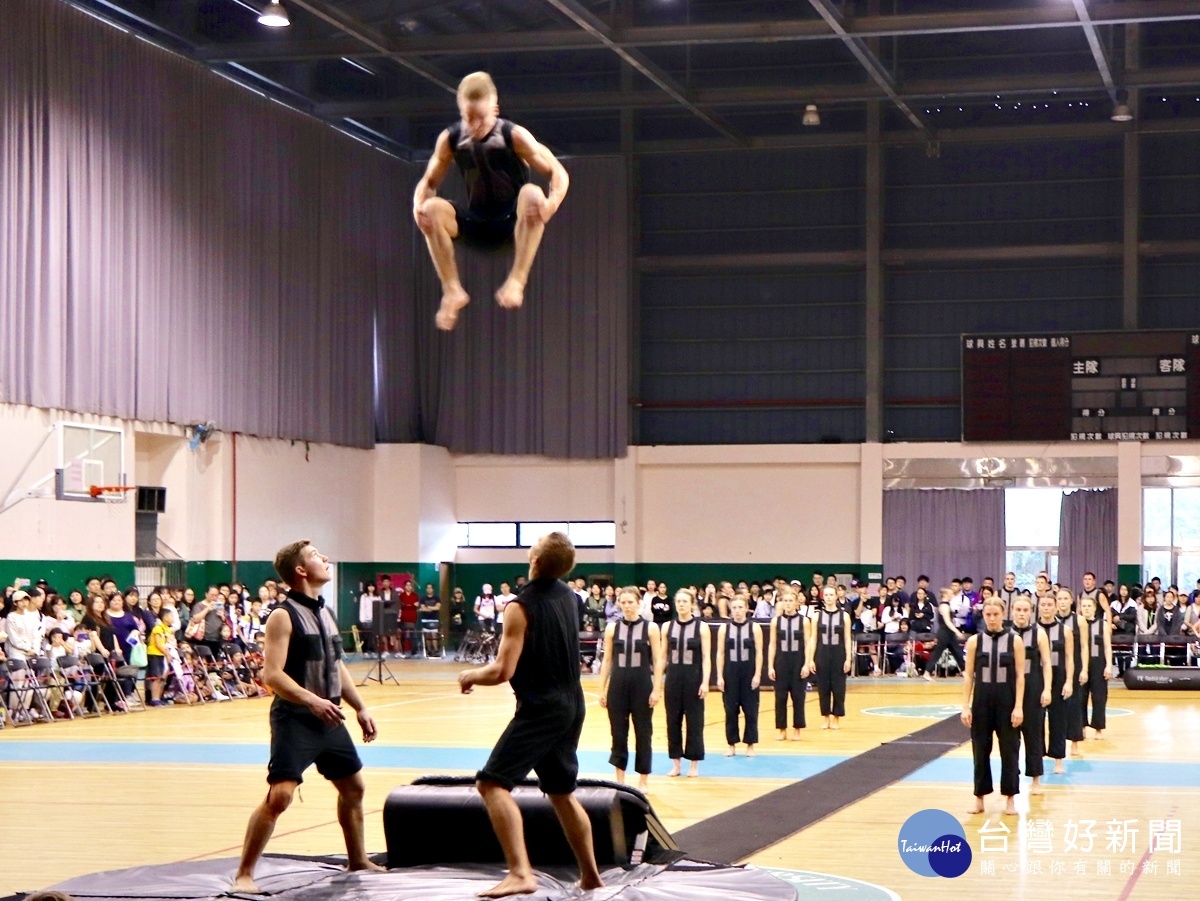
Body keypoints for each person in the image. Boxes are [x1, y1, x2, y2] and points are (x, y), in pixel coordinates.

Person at [458, 532, 603, 898]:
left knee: (491, 784)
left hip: (542, 708)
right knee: (561, 793)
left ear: (534, 560)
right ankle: (590, 876)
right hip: (573, 703)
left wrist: (470, 674)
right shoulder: (570, 597)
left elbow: (502, 671)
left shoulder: (518, 607)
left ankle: (520, 872)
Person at [231, 540, 382, 893]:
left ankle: (357, 859)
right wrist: (312, 701)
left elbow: (337, 666)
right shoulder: (282, 616)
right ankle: (244, 874)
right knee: (281, 795)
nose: (325, 558)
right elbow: (272, 675)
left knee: (353, 787)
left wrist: (360, 706)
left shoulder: (326, 614)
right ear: (300, 570)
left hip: (329, 717)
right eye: (315, 555)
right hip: (296, 718)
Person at [413, 71, 570, 331]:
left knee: (532, 194)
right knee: (430, 210)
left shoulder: (513, 136)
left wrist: (551, 205)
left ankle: (517, 281)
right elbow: (429, 182)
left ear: (495, 110)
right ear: (460, 111)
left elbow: (557, 172)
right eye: (468, 118)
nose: (474, 126)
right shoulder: (451, 140)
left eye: (481, 118)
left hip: (514, 226)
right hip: (475, 225)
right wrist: (417, 206)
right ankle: (452, 291)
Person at [961, 598, 1025, 816]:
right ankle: (979, 798)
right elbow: (969, 675)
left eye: (995, 614)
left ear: (1003, 613)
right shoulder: (974, 642)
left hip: (1006, 701)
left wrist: (1018, 706)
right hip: (981, 701)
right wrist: (965, 706)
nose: (991, 618)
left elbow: (1019, 676)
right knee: (980, 751)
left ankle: (1010, 800)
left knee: (1010, 751)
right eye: (988, 614)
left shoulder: (1015, 641)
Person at [598, 586, 663, 791]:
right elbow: (607, 660)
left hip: (642, 683)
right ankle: (620, 779)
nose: (627, 606)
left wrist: (657, 688)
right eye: (623, 602)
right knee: (618, 733)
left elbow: (658, 660)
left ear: (639, 603)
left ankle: (643, 780)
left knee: (643, 732)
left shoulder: (651, 628)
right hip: (618, 684)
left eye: (630, 602)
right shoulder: (612, 628)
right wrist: (602, 689)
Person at [662, 588, 710, 777]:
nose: (681, 604)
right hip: (673, 677)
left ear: (692, 604)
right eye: (679, 601)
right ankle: (676, 764)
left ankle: (694, 764)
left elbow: (706, 657)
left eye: (685, 601)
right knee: (673, 721)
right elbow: (662, 657)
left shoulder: (702, 627)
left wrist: (705, 682)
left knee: (695, 721)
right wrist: (658, 681)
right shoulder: (667, 627)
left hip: (694, 677)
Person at [1009, 595, 1051, 795]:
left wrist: (1047, 688)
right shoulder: (1006, 633)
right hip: (1010, 688)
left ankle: (1035, 779)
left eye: (1025, 610)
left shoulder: (1039, 633)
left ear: (1031, 612)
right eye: (1018, 610)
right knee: (1010, 736)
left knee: (1034, 734)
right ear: (1012, 611)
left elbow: (1047, 663)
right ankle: (1012, 776)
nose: (1021, 614)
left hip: (1033, 686)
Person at [1038, 592, 1075, 775]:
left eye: (1049, 605)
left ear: (1055, 607)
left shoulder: (1065, 630)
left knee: (1058, 720)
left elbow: (1069, 658)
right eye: (1042, 604)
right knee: (1036, 721)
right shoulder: (1032, 630)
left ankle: (1058, 759)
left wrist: (1069, 681)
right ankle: (1037, 757)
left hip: (1059, 676)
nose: (1045, 607)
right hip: (1037, 677)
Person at [807, 585, 853, 729]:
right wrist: (810, 659)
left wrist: (848, 658)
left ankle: (837, 717)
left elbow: (847, 638)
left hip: (839, 653)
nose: (828, 597)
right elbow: (813, 639)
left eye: (831, 595)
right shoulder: (817, 616)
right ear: (823, 597)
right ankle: (826, 717)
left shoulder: (844, 616)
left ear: (836, 596)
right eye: (826, 595)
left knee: (839, 688)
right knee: (823, 687)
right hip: (822, 653)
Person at [768, 588, 808, 741]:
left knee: (798, 696)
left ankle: (797, 728)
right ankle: (781, 728)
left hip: (798, 661)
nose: (788, 604)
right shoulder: (775, 621)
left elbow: (808, 643)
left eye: (791, 601)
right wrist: (771, 666)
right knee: (780, 697)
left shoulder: (803, 621)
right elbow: (772, 644)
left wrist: (806, 663)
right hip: (781, 661)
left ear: (797, 603)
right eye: (785, 601)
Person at [1055, 588, 1089, 760]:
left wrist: (1084, 669)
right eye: (1059, 598)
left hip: (1074, 663)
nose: (1062, 601)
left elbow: (1084, 646)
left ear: (1071, 601)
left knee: (1075, 704)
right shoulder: (1050, 620)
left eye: (1065, 598)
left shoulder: (1080, 620)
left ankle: (1075, 741)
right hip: (1056, 665)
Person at [1078, 595, 1112, 740]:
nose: (1086, 609)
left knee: (1099, 697)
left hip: (1098, 664)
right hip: (1080, 664)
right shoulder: (1076, 624)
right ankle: (1081, 727)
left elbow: (1107, 646)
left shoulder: (1102, 624)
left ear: (1095, 608)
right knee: (1080, 697)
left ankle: (1098, 728)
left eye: (1089, 606)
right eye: (1084, 606)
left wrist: (1109, 665)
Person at [926, 586, 968, 680]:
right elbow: (948, 622)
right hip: (944, 633)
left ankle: (965, 671)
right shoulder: (944, 606)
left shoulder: (948, 605)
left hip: (949, 633)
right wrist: (957, 631)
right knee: (937, 653)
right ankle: (927, 672)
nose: (952, 595)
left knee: (957, 652)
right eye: (950, 593)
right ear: (945, 595)